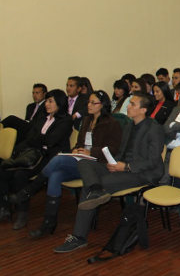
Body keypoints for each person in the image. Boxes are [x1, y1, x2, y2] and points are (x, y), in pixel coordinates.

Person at [53, 92, 165, 253]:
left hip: (141, 173)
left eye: (133, 104)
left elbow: (153, 160)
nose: (128, 106)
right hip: (120, 167)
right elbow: (120, 151)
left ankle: (79, 237)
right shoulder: (128, 125)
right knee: (85, 162)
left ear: (143, 110)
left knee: (95, 185)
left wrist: (125, 166)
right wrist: (112, 163)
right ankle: (95, 190)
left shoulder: (154, 129)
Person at [9, 90, 122, 237]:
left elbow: (112, 149)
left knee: (57, 159)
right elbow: (80, 143)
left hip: (97, 163)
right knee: (55, 175)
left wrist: (90, 152)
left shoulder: (112, 123)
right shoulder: (86, 120)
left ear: (102, 105)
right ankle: (48, 224)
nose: (89, 105)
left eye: (93, 103)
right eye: (89, 102)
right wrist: (76, 150)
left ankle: (29, 191)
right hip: (81, 161)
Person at [0, 90, 73, 228]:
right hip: (33, 153)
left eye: (50, 101)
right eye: (46, 101)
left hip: (49, 158)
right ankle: (4, 207)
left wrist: (38, 139)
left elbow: (52, 141)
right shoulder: (42, 118)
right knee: (3, 168)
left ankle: (22, 213)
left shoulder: (66, 120)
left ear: (60, 103)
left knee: (19, 174)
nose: (47, 104)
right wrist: (40, 140)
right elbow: (30, 138)